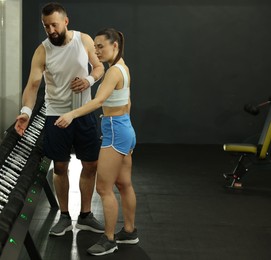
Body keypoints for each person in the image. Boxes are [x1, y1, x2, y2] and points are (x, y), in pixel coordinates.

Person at [14, 2, 105, 236]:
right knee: (60, 166)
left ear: (65, 21)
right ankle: (64, 216)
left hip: (83, 112)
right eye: (46, 27)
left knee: (91, 164)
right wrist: (25, 112)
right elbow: (33, 84)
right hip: (56, 114)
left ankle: (85, 215)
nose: (51, 30)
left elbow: (98, 67)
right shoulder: (42, 50)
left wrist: (89, 80)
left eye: (54, 24)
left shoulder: (83, 40)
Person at [54, 28, 139, 256]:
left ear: (115, 46)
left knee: (103, 188)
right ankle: (129, 231)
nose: (97, 51)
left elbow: (99, 101)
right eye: (95, 47)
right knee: (124, 184)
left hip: (115, 131)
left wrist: (72, 114)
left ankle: (109, 239)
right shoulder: (123, 68)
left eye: (101, 46)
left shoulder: (112, 73)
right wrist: (126, 128)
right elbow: (127, 102)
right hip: (124, 128)